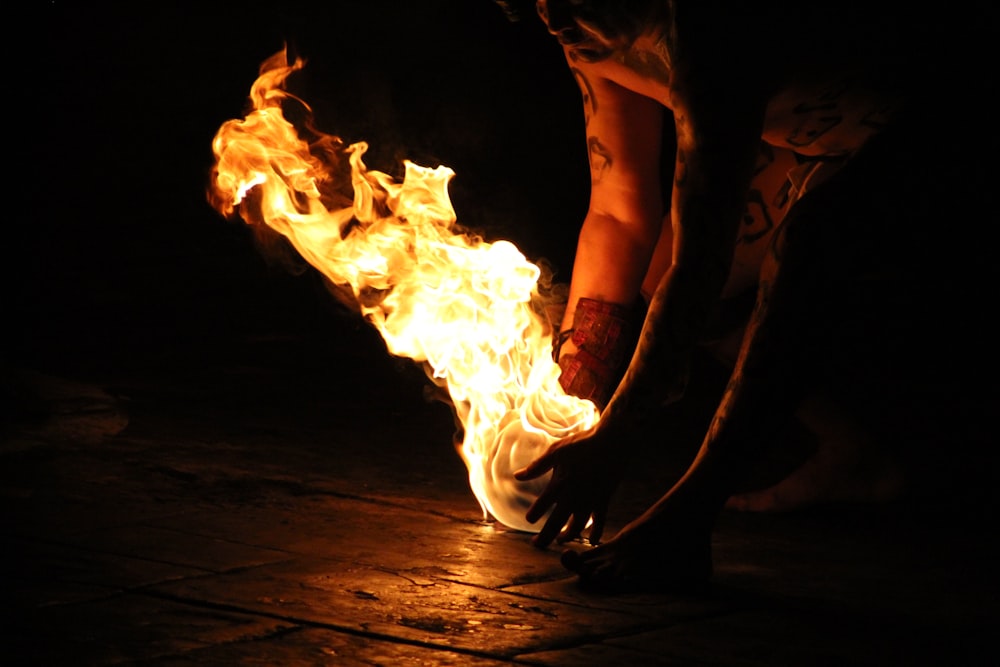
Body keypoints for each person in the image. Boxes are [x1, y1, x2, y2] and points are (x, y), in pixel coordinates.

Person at [511, 0, 993, 591]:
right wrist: (571, 393)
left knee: (806, 244)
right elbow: (617, 210)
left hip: (943, 121)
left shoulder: (710, 35)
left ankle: (687, 523)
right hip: (814, 134)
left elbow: (700, 267)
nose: (553, 17)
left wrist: (615, 436)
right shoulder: (588, 36)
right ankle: (854, 455)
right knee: (656, 270)